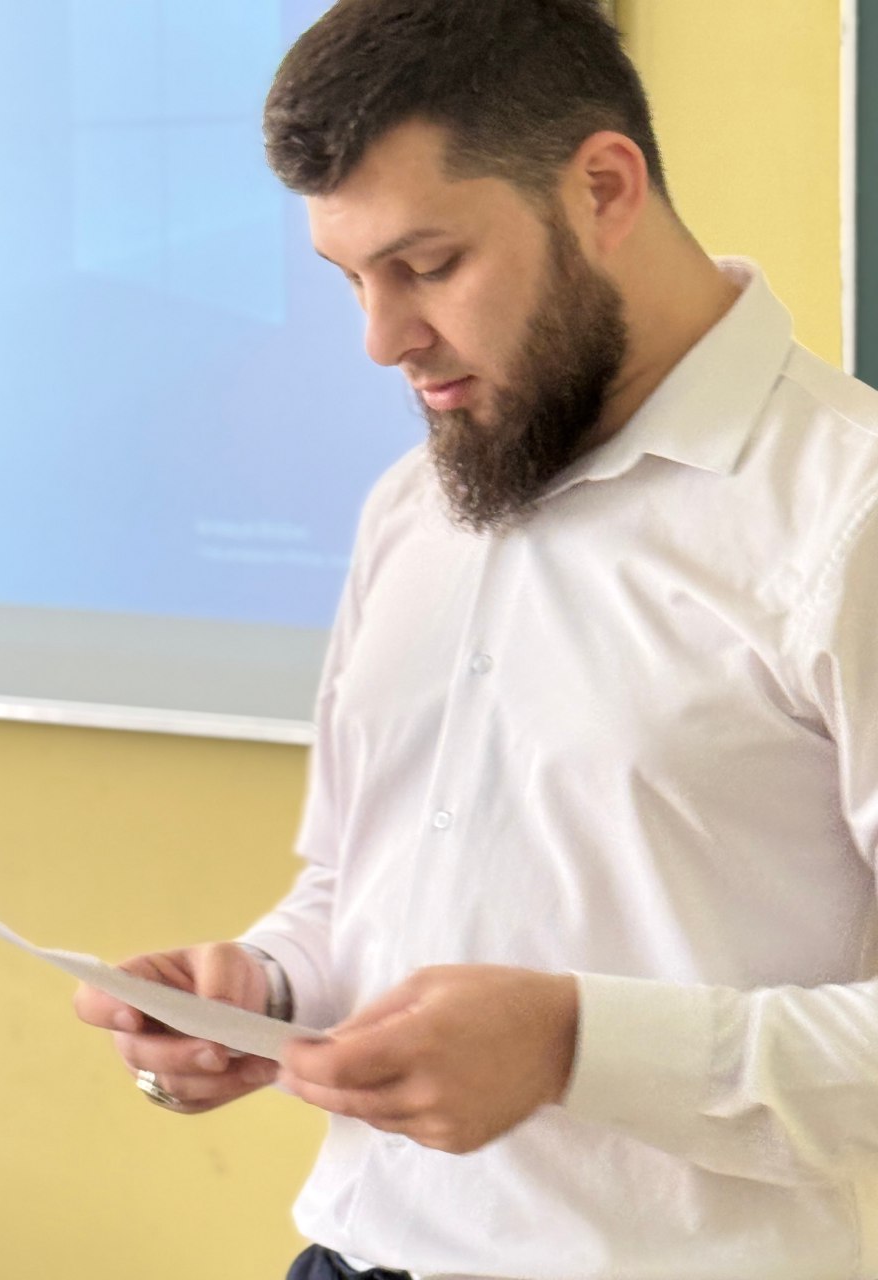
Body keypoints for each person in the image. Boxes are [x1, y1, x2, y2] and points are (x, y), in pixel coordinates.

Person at [74, 1, 878, 1276]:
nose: (380, 339)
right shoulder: (415, 506)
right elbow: (358, 889)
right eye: (349, 278)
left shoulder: (850, 514)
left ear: (603, 188)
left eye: (428, 264)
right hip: (347, 1252)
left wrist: (573, 1045)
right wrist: (264, 990)